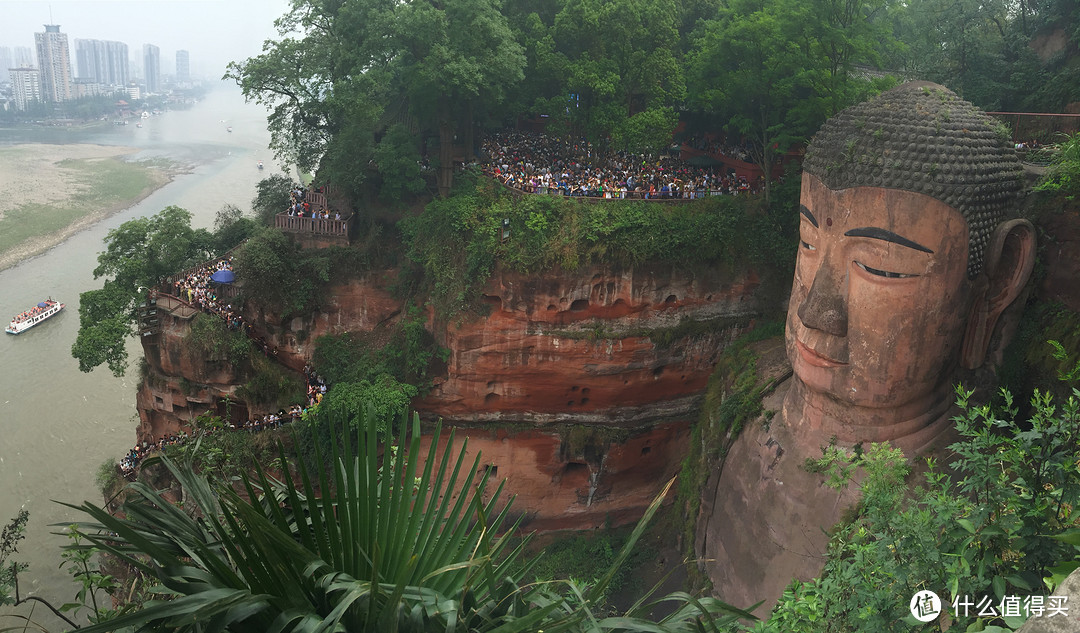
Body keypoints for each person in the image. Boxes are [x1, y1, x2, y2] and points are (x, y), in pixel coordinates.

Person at [785, 80, 1035, 451]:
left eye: (881, 268)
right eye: (808, 242)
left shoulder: (974, 496)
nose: (815, 311)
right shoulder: (739, 401)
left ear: (1000, 280)